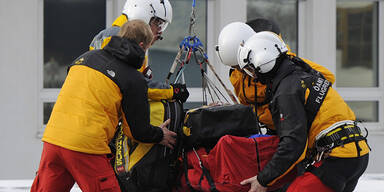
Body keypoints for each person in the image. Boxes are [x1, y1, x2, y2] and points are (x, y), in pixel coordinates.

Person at [31, 20, 177, 192]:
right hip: (86, 146)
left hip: (53, 141)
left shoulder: (84, 58)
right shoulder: (133, 78)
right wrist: (159, 134)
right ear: (142, 45)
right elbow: (137, 132)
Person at [237, 31, 370, 192]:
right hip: (357, 153)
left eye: (252, 70)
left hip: (336, 158)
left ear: (262, 62)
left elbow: (293, 144)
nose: (255, 77)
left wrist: (263, 180)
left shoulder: (287, 91)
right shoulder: (305, 74)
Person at [216, 19, 335, 131]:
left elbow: (326, 78)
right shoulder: (237, 77)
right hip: (276, 127)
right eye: (235, 67)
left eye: (240, 66)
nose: (240, 70)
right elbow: (247, 104)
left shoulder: (282, 64)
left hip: (294, 126)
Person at [90, 0, 189, 103]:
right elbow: (133, 83)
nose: (160, 31)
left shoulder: (124, 39)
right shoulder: (118, 39)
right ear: (143, 16)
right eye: (158, 23)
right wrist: (172, 91)